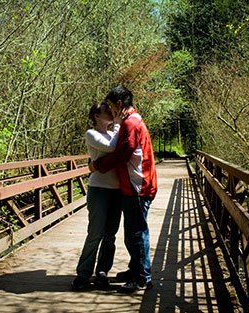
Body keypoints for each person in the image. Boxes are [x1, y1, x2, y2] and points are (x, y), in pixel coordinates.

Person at [89, 86, 158, 293]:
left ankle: (142, 278)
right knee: (134, 231)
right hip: (137, 185)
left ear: (119, 104)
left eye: (111, 106)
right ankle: (136, 269)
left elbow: (122, 154)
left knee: (136, 234)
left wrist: (98, 166)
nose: (110, 111)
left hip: (138, 186)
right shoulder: (134, 120)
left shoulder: (130, 123)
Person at [72, 102, 123, 290]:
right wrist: (118, 124)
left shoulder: (112, 134)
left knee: (111, 234)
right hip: (99, 189)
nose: (111, 113)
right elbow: (112, 148)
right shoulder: (91, 134)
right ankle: (83, 274)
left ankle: (102, 271)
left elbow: (119, 147)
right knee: (95, 233)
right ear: (96, 116)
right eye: (107, 111)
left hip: (117, 190)